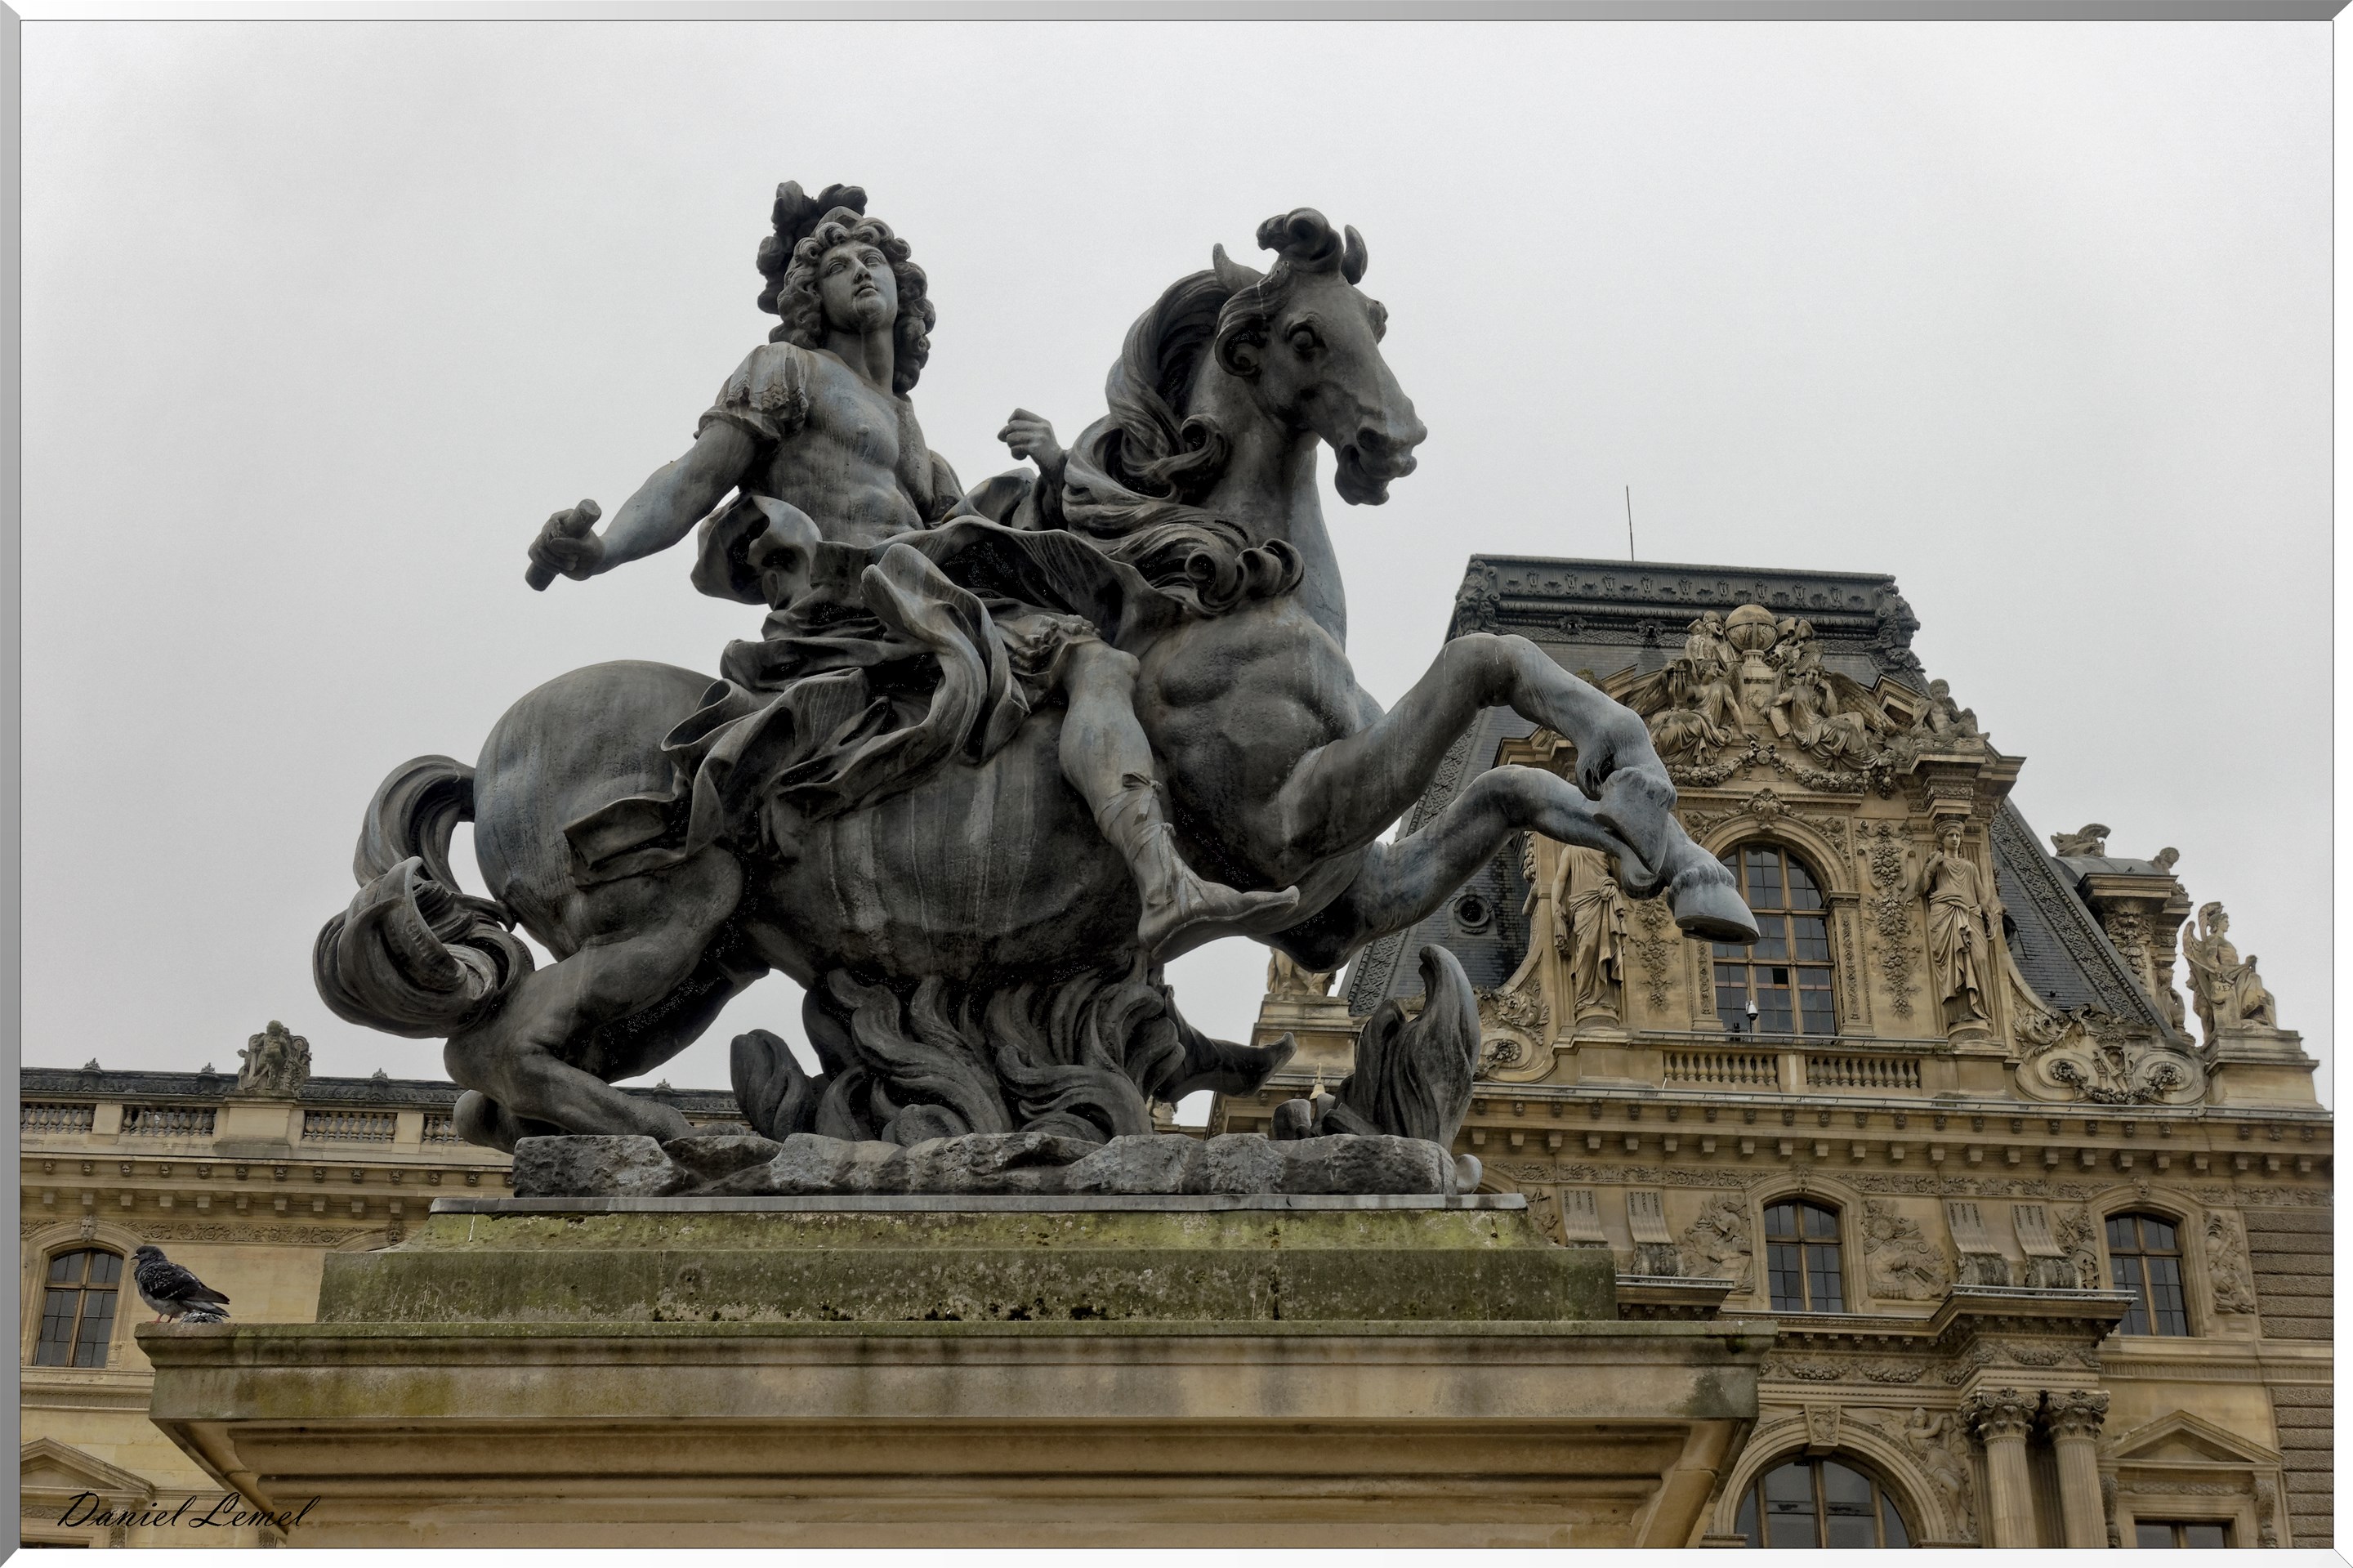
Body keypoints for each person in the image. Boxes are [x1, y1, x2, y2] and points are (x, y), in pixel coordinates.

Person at [526, 187, 1293, 956]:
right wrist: (600, 552)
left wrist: (1057, 468)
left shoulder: (916, 439)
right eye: (837, 266)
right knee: (1093, 662)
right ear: (810, 299)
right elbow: (692, 479)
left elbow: (983, 537)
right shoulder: (785, 369)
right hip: (851, 606)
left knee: (1098, 635)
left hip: (927, 599)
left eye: (874, 260)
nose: (861, 271)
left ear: (906, 294)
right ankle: (1165, 884)